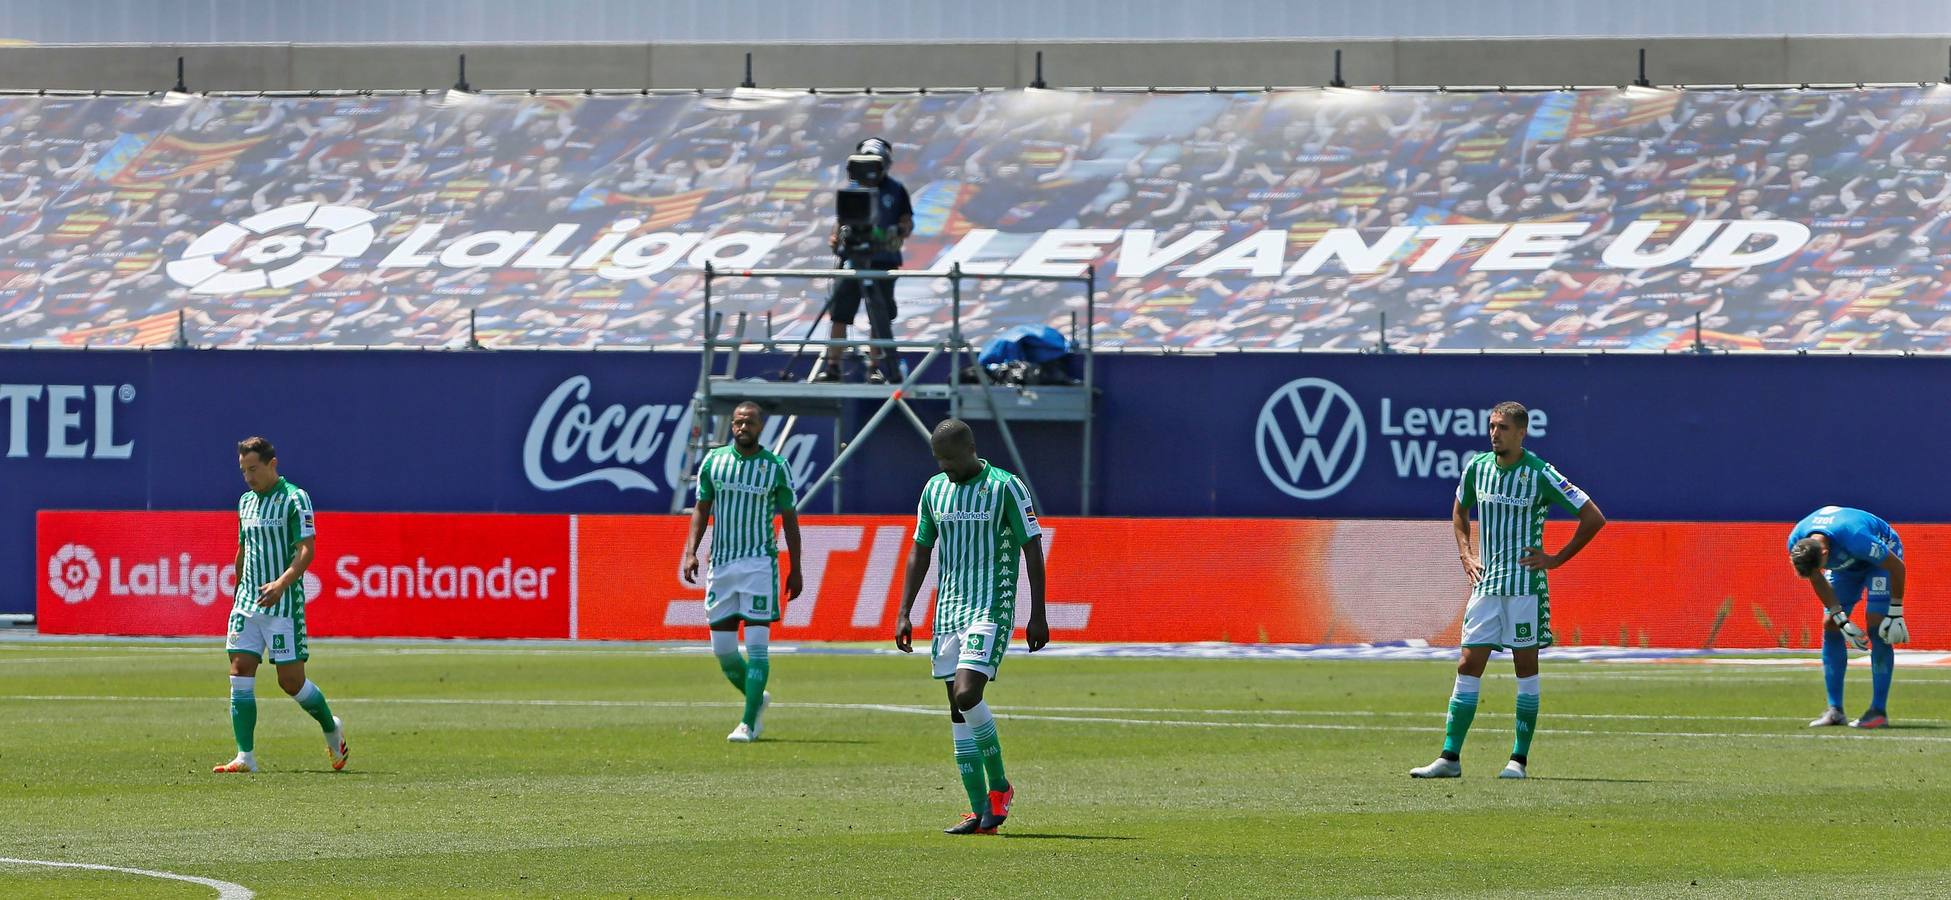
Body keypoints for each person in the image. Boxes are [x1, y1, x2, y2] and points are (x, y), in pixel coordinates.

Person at [1411, 401, 1605, 780]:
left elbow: (1593, 516)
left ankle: (1518, 760)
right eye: (1492, 426)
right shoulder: (1477, 468)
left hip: (1524, 590)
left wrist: (1556, 559)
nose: (1494, 433)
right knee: (1468, 664)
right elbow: (1459, 511)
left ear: (1521, 433)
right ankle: (1450, 758)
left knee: (1525, 668)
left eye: (1502, 427)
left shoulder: (1540, 474)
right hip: (1486, 585)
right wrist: (1466, 554)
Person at [895, 419, 1048, 834]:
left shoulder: (1005, 486)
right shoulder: (934, 490)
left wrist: (1038, 613)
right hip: (948, 611)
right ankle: (980, 812)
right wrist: (904, 611)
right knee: (956, 711)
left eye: (949, 457)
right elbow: (920, 550)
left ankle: (1000, 788)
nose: (943, 465)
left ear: (970, 449)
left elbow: (1032, 547)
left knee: (967, 694)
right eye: (937, 458)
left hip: (991, 607)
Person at [214, 437, 348, 774]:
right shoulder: (245, 502)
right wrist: (237, 589)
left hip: (283, 603)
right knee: (240, 670)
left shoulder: (294, 499)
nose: (248, 477)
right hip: (247, 602)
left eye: (254, 469)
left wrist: (280, 584)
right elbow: (244, 549)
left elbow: (307, 549)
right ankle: (245, 756)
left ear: (272, 464)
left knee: (290, 682)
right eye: (243, 470)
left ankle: (331, 726)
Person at [681, 401, 804, 742]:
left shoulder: (775, 467)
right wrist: (690, 552)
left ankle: (748, 722)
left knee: (757, 647)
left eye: (749, 422)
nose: (742, 427)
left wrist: (796, 567)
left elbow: (790, 519)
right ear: (731, 425)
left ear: (761, 426)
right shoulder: (713, 462)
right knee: (723, 651)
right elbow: (701, 508)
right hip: (720, 565)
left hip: (759, 565)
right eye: (737, 422)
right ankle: (756, 699)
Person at [1787, 506, 1909, 729]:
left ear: (1825, 554)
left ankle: (1878, 711)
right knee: (1831, 625)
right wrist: (1840, 618)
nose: (1817, 574)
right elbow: (1816, 577)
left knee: (1877, 626)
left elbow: (1896, 566)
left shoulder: (1855, 537)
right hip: (1846, 566)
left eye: (1818, 569)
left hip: (1879, 562)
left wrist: (1896, 610)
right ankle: (1835, 711)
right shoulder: (1797, 540)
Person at [818, 137, 913, 384]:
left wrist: (898, 232)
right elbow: (841, 220)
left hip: (883, 260)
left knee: (878, 315)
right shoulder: (851, 188)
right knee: (840, 313)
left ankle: (875, 367)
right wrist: (836, 237)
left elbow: (906, 220)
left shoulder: (896, 189)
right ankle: (832, 366)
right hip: (852, 260)